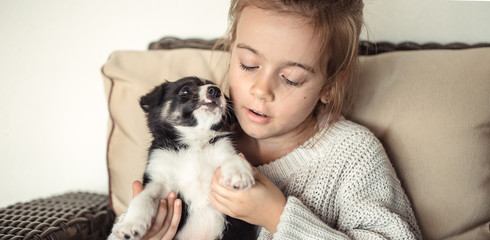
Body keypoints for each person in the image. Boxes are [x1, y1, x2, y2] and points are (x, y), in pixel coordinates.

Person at [114, 0, 423, 239]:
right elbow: (132, 223)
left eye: (290, 78)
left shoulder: (353, 154)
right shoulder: (194, 135)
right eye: (249, 65)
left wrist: (278, 217)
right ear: (230, 50)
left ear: (329, 86)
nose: (261, 90)